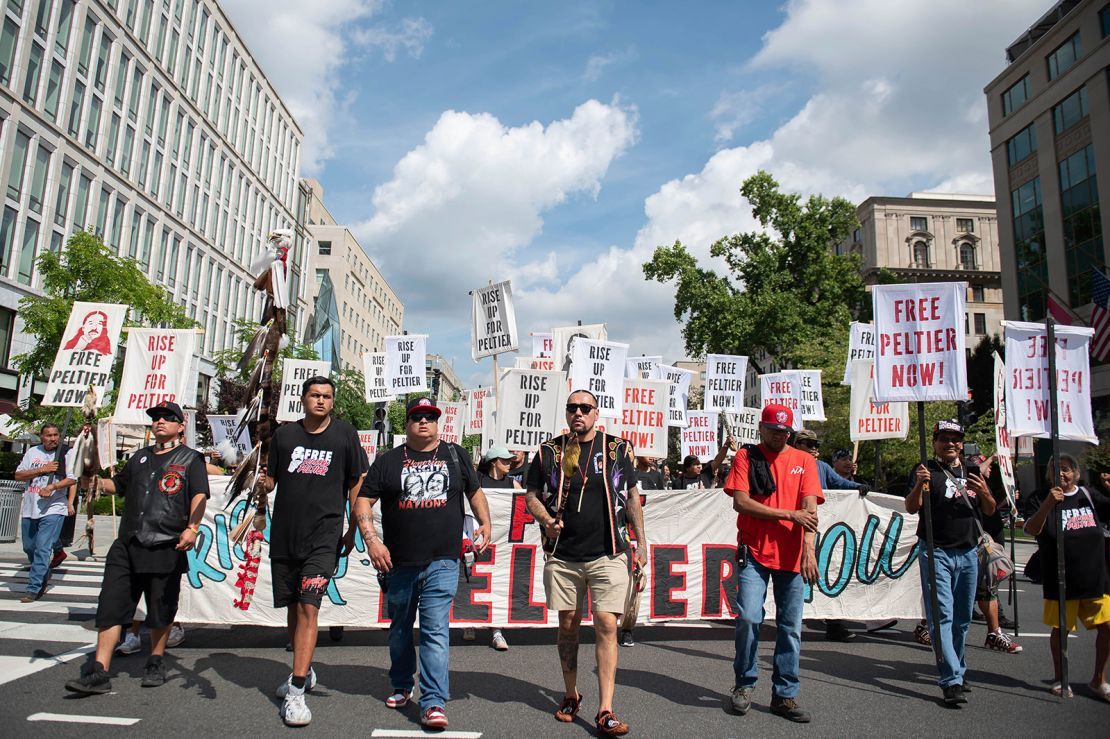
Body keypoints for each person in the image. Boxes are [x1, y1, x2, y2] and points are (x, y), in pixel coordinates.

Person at [354, 396, 492, 731]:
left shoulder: (455, 455)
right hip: (398, 564)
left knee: (434, 631)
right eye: (417, 416)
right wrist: (372, 540)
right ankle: (402, 684)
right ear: (407, 423)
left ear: (438, 421)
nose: (424, 422)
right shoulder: (387, 462)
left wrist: (485, 522)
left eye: (430, 416)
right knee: (400, 629)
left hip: (443, 561)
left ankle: (432, 702)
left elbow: (475, 492)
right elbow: (362, 501)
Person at [64, 402, 208, 694]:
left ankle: (155, 660)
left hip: (165, 544)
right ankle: (99, 671)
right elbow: (117, 485)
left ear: (181, 426)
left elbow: (199, 495)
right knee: (111, 606)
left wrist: (192, 528)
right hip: (128, 543)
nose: (160, 422)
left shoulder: (191, 459)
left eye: (168, 418)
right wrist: (91, 478)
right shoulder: (138, 458)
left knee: (160, 609)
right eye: (155, 418)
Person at [525, 389, 647, 736]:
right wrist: (546, 519)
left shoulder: (618, 449)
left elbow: (633, 498)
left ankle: (605, 707)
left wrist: (641, 543)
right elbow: (532, 495)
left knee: (607, 624)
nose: (578, 413)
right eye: (572, 408)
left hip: (607, 553)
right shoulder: (549, 451)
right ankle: (570, 694)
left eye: (585, 408)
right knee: (568, 626)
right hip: (563, 555)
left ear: (596, 413)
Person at [258, 376, 367, 727]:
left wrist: (354, 526)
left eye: (327, 396)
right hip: (286, 536)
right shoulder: (284, 436)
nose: (321, 401)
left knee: (309, 604)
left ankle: (297, 692)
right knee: (292, 607)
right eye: (315, 395)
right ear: (303, 399)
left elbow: (356, 482)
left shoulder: (345, 435)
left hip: (325, 536)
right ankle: (301, 669)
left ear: (333, 402)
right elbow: (272, 479)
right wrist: (263, 482)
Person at [725, 404, 821, 723]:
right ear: (761, 429)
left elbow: (810, 509)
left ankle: (785, 695)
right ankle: (744, 684)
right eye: (773, 430)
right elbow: (741, 501)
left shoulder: (804, 460)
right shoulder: (746, 456)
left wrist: (809, 549)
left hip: (792, 556)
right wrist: (787, 514)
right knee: (750, 617)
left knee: (790, 627)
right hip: (754, 550)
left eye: (784, 432)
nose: (779, 436)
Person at [904, 419, 995, 706]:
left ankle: (958, 668)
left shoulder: (973, 472)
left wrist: (984, 493)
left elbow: (990, 510)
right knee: (941, 616)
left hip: (968, 553)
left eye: (955, 439)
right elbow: (910, 507)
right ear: (935, 443)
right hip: (936, 551)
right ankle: (950, 679)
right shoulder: (925, 471)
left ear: (961, 443)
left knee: (961, 619)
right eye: (944, 439)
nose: (950, 444)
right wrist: (919, 485)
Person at [1023, 455, 1110, 700]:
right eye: (1055, 469)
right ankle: (1062, 678)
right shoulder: (1039, 498)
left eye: (1066, 469)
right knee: (1060, 630)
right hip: (1061, 580)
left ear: (1076, 474)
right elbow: (1031, 529)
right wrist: (1049, 503)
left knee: (1107, 627)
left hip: (1095, 577)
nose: (1061, 473)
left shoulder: (1088, 495)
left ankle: (1098, 680)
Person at [792, 430, 866, 643]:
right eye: (809, 443)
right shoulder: (786, 463)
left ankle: (834, 624)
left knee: (826, 574)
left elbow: (840, 484)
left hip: (819, 531)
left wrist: (858, 486)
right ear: (797, 444)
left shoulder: (821, 467)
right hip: (791, 529)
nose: (815, 447)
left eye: (817, 444)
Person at [14, 423, 76, 602]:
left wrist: (53, 486)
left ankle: (34, 587)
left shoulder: (66, 453)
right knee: (29, 547)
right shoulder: (33, 452)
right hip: (31, 507)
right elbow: (18, 475)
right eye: (48, 435)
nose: (53, 438)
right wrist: (42, 469)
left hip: (54, 508)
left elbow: (72, 479)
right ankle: (43, 572)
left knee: (42, 548)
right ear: (41, 437)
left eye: (56, 435)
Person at [469, 445, 518, 651]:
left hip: (504, 544)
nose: (509, 463)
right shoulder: (477, 482)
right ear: (493, 462)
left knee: (498, 584)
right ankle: (469, 622)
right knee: (473, 580)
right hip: (480, 540)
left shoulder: (513, 483)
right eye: (504, 460)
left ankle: (496, 630)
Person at [970, 454, 1021, 651]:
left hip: (993, 538)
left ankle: (995, 629)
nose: (989, 469)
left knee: (989, 583)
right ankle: (995, 627)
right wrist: (993, 457)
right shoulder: (971, 482)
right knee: (985, 585)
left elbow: (991, 507)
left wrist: (1008, 495)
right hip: (980, 539)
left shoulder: (985, 485)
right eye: (986, 465)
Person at [620, 456, 662, 648]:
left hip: (631, 539)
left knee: (633, 588)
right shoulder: (615, 474)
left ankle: (627, 629)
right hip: (611, 540)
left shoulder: (653, 476)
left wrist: (642, 543)